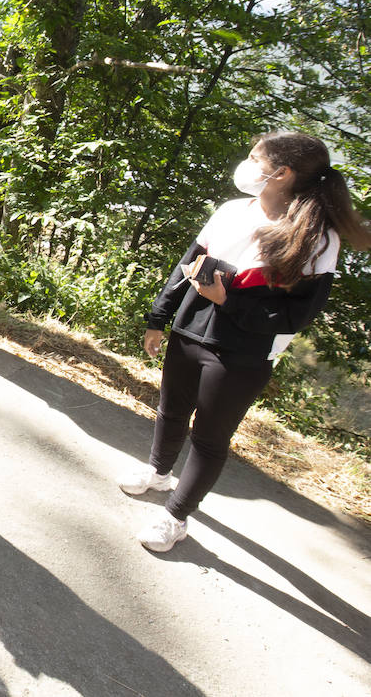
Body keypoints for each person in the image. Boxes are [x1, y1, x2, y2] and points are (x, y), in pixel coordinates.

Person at [121, 132, 371, 552]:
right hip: (188, 331)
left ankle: (175, 517)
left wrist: (228, 301)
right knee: (171, 409)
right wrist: (159, 318)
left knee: (210, 437)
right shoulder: (232, 211)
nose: (247, 164)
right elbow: (187, 264)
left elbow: (295, 317)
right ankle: (158, 474)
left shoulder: (318, 238)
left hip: (243, 352)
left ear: (281, 173)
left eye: (255, 158)